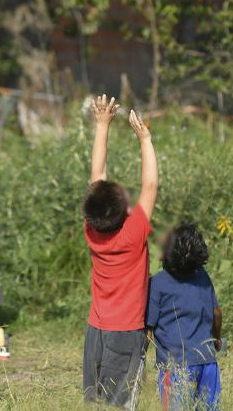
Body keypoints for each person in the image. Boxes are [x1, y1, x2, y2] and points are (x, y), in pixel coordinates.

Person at [82, 95, 159, 409]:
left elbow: (95, 178)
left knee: (98, 401)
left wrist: (102, 124)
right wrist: (145, 139)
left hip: (96, 330)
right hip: (126, 332)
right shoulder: (134, 232)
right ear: (123, 208)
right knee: (122, 402)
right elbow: (151, 185)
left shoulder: (92, 231)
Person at [146, 223, 222, 411]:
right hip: (207, 362)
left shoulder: (157, 284)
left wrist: (137, 359)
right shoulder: (203, 277)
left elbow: (148, 330)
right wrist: (217, 338)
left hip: (175, 367)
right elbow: (216, 313)